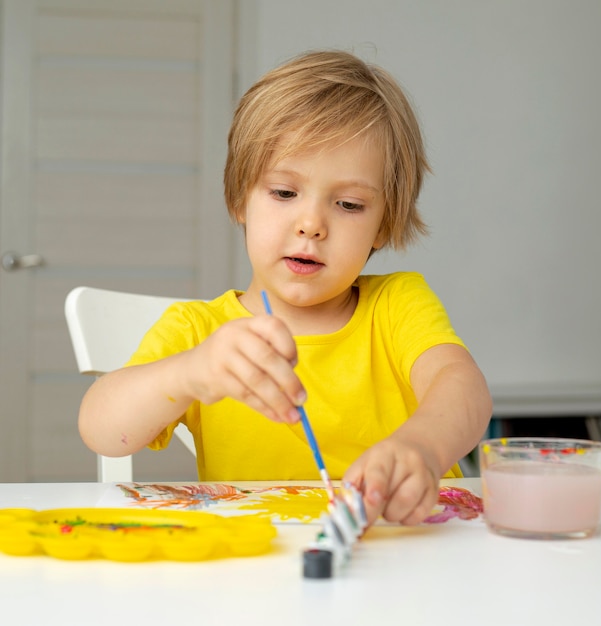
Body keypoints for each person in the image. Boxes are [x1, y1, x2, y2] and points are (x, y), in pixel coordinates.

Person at [78, 50, 492, 526]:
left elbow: (465, 390)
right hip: (264, 571)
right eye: (284, 193)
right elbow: (102, 431)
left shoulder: (397, 305)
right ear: (240, 199)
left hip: (414, 552)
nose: (311, 224)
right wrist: (189, 373)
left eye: (349, 204)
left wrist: (421, 446)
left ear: (383, 225)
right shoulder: (200, 333)